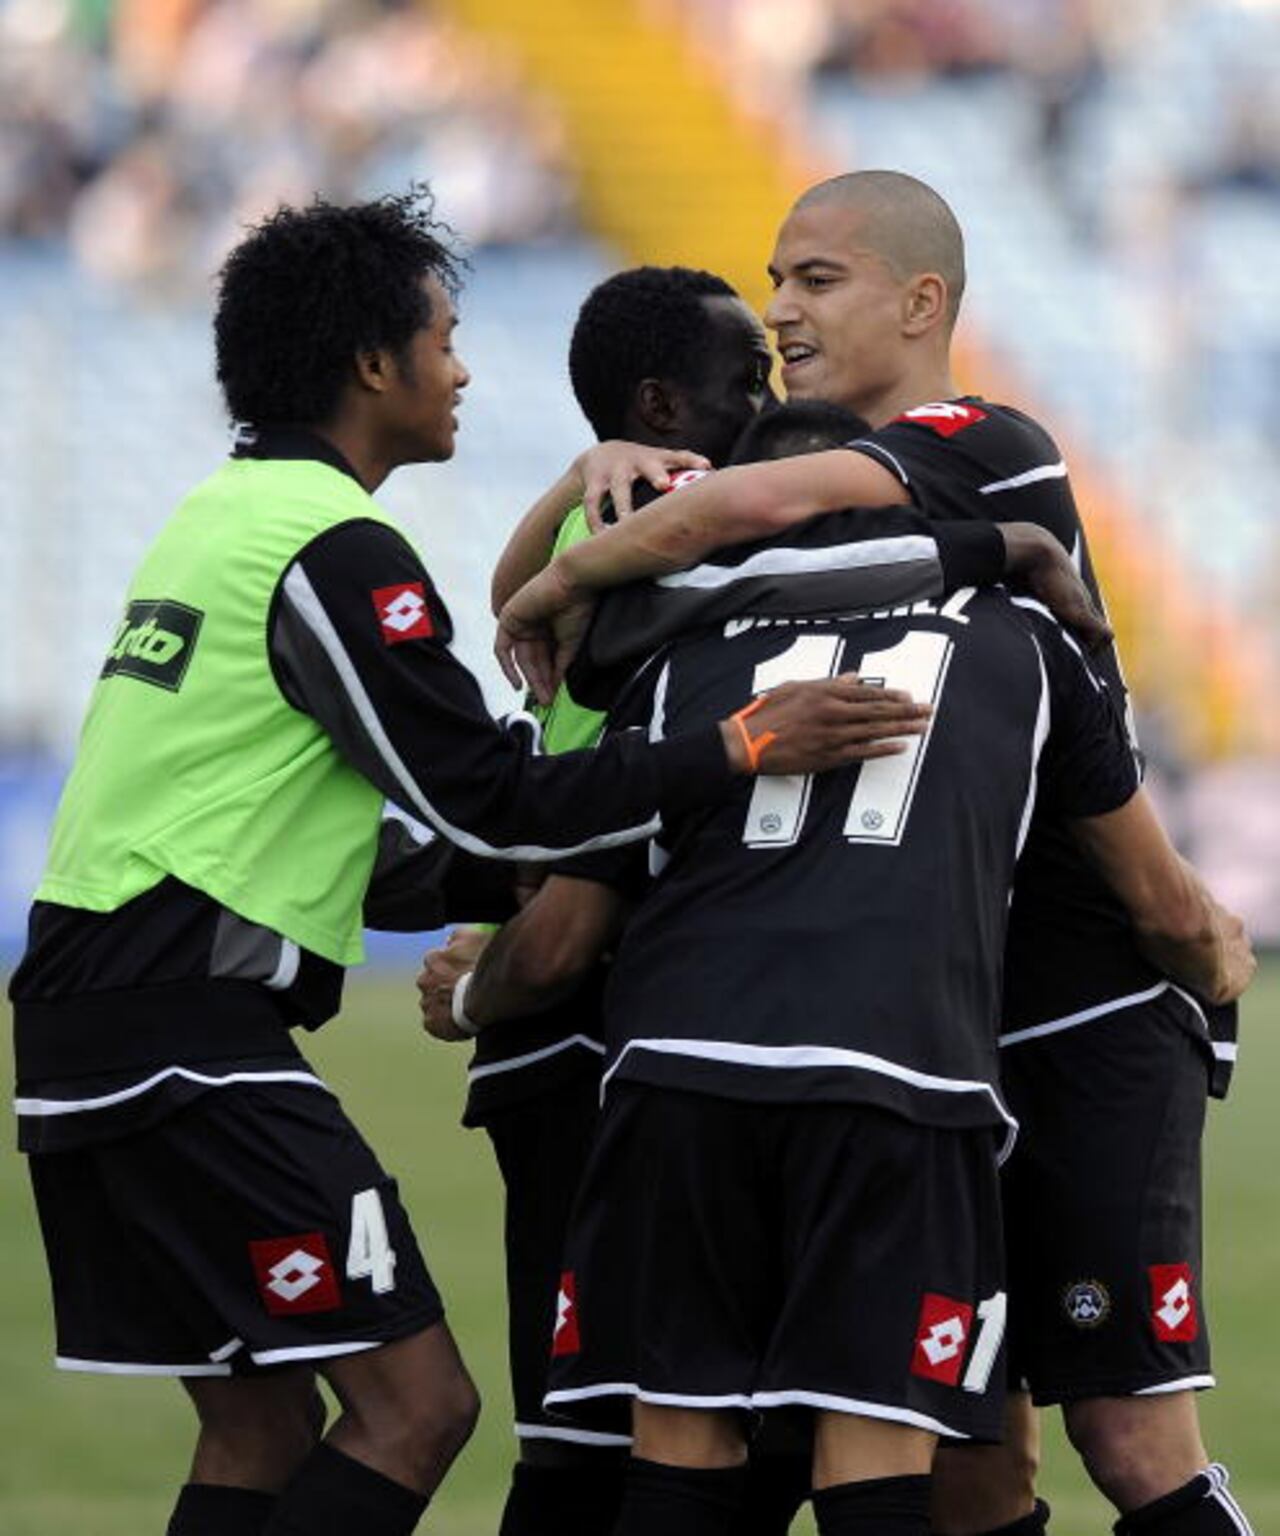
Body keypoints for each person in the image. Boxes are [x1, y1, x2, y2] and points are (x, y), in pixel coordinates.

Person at [10, 189, 939, 1536]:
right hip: (184, 1042)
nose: (463, 369)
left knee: (263, 1422)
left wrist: (501, 883)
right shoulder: (329, 548)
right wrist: (736, 748)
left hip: (100, 1019)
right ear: (374, 366)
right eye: (444, 338)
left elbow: (370, 850)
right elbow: (493, 798)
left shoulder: (219, 519)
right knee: (418, 1407)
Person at [496, 170, 1254, 1536]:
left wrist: (564, 576)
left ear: (922, 304)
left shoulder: (986, 439)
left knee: (1127, 1436)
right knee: (952, 1451)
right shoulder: (798, 492)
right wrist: (584, 474)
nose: (781, 310)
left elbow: (699, 536)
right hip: (923, 1004)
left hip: (1078, 1001)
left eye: (816, 280)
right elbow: (643, 567)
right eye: (776, 279)